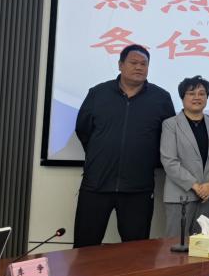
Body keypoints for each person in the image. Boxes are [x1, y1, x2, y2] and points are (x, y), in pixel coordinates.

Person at [73, 44, 175, 247]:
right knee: (85, 247)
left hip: (138, 187)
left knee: (136, 250)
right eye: (133, 62)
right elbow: (83, 129)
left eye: (144, 64)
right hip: (97, 184)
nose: (139, 67)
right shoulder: (98, 93)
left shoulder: (161, 98)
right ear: (120, 65)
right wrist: (100, 154)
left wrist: (147, 161)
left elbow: (168, 138)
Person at [160, 75, 209, 238]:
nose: (197, 97)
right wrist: (196, 186)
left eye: (202, 93)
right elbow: (169, 161)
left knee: (202, 245)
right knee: (175, 244)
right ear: (182, 97)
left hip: (208, 196)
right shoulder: (171, 124)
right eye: (191, 93)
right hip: (180, 195)